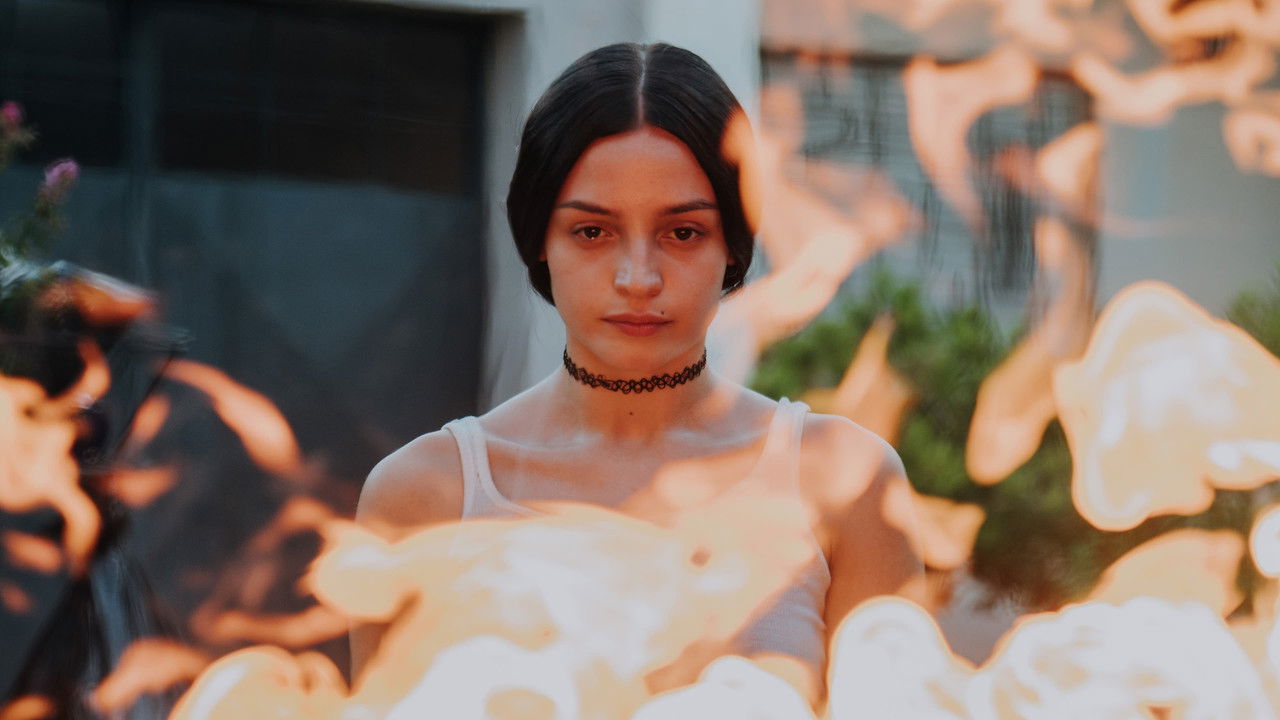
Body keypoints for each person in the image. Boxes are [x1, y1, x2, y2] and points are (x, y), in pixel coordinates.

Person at [352, 42, 922, 707]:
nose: (638, 278)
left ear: (733, 246)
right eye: (593, 232)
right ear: (540, 239)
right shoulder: (427, 495)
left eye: (682, 233)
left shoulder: (844, 485)